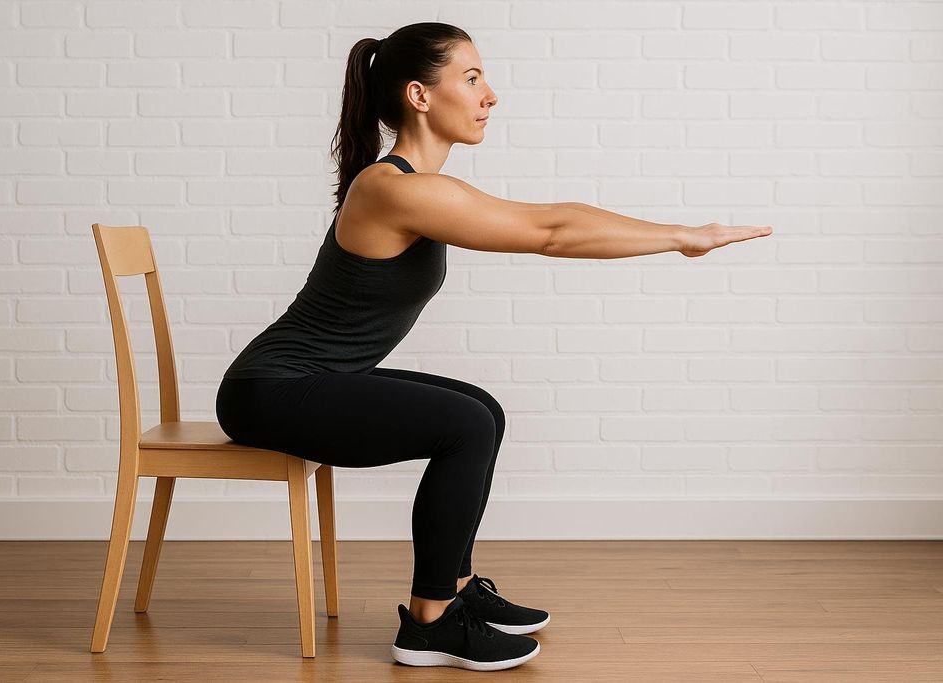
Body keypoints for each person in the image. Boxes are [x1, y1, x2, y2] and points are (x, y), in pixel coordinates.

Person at [215, 21, 773, 672]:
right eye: (472, 78)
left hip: (297, 381)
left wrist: (681, 233)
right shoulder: (394, 188)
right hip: (271, 391)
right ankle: (429, 623)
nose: (490, 95)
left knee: (482, 407)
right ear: (420, 96)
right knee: (465, 424)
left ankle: (452, 591)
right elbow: (552, 230)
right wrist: (683, 234)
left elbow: (551, 225)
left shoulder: (411, 185)